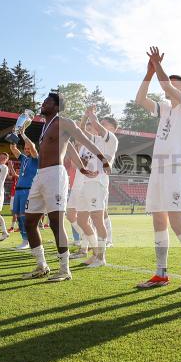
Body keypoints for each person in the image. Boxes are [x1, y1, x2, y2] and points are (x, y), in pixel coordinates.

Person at [133, 46, 181, 289]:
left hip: (175, 168)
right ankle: (161, 273)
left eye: (175, 83)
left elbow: (165, 87)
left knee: (176, 223)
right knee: (158, 222)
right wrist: (148, 73)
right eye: (168, 81)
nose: (169, 86)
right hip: (158, 170)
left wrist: (158, 67)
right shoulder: (164, 108)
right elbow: (140, 100)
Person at [21, 91, 111, 282]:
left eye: (47, 102)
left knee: (56, 222)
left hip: (55, 174)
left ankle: (64, 269)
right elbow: (69, 149)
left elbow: (84, 140)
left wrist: (102, 159)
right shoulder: (46, 126)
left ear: (56, 106)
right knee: (29, 222)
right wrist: (82, 168)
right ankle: (41, 265)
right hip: (40, 175)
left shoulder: (64, 122)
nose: (42, 104)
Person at [71, 106, 119, 268]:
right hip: (85, 182)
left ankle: (101, 257)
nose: (99, 125)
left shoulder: (111, 139)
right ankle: (94, 253)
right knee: (83, 220)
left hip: (97, 182)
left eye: (105, 124)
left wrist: (91, 115)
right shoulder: (94, 140)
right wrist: (85, 116)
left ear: (112, 129)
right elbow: (80, 132)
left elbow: (96, 126)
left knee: (98, 219)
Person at [9, 135, 39, 250]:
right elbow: (13, 149)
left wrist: (24, 134)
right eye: (25, 149)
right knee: (17, 215)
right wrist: (14, 138)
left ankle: (28, 240)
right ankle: (24, 239)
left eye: (28, 148)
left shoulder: (36, 159)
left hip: (28, 190)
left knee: (24, 216)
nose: (27, 150)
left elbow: (32, 147)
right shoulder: (24, 158)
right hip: (18, 191)